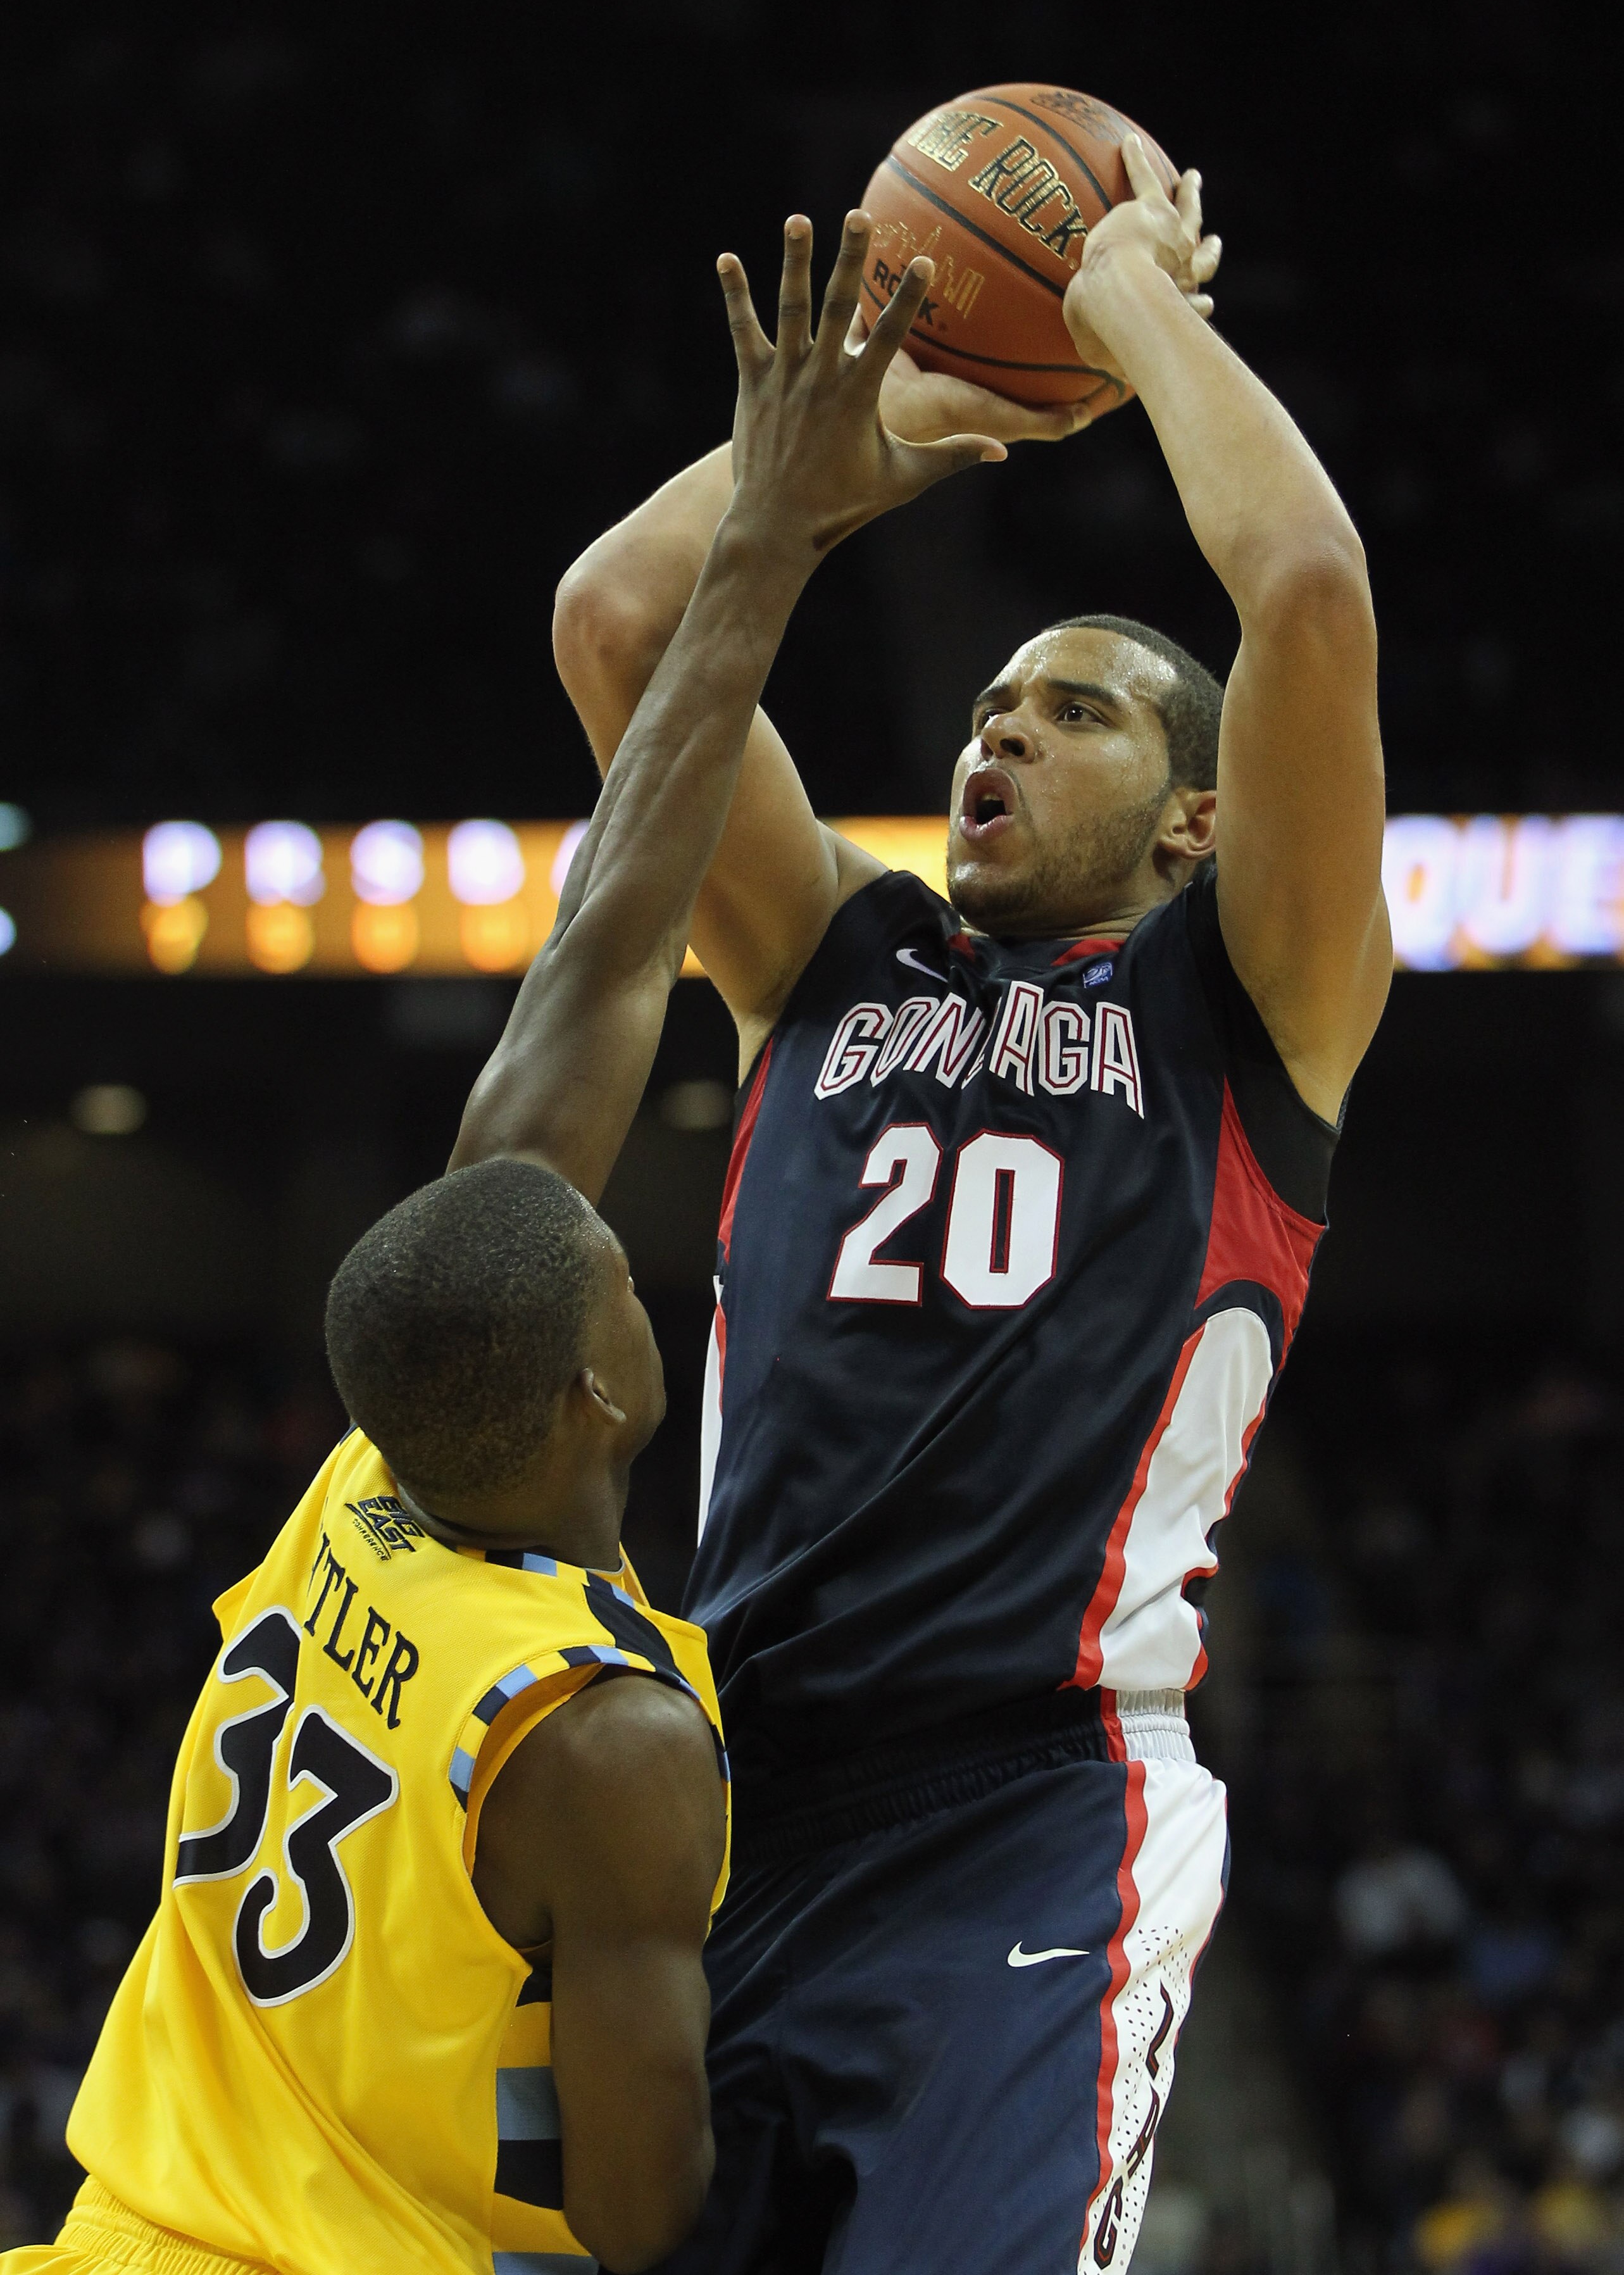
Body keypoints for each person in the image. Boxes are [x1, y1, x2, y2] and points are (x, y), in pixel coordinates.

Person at [2, 215, 994, 2275]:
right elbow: (648, 2221)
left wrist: (773, 539)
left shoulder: (379, 1475)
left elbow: (615, 930)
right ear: (599, 1384)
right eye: (629, 1280)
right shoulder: (604, 1736)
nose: (635, 1252)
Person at [554, 135, 1391, 2275]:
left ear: (1201, 818)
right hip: (726, 1789)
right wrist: (902, 410)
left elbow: (1301, 588)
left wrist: (1126, 304)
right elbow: (626, 619)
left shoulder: (1247, 1003)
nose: (1001, 734)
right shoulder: (840, 949)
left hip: (1030, 1810)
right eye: (993, 705)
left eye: (1078, 709)